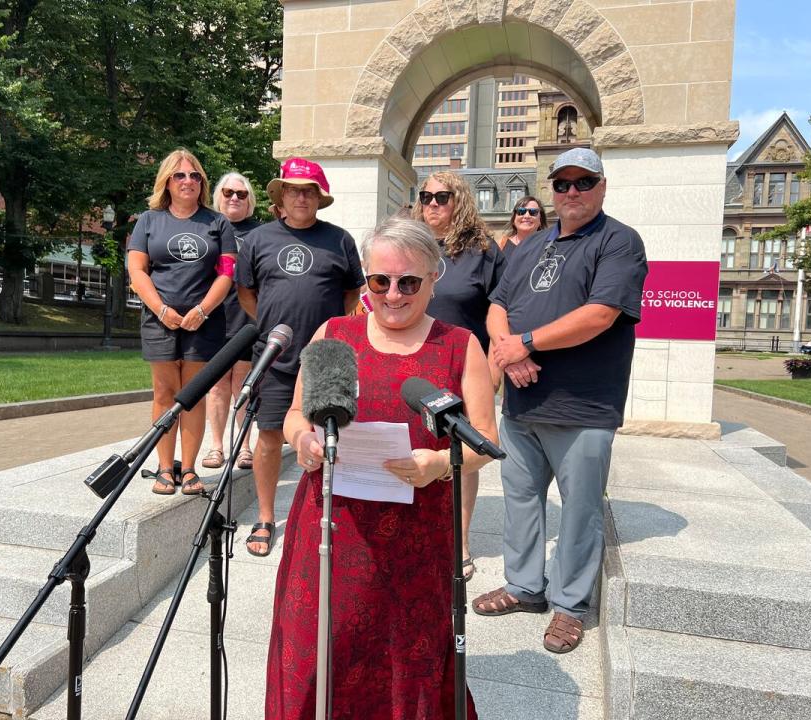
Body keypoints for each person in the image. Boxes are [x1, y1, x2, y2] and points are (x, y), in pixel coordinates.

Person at [266, 215, 498, 719]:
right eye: (379, 281)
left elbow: (485, 443)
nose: (393, 294)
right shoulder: (334, 332)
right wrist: (302, 440)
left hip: (415, 541)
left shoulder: (460, 346)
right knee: (324, 649)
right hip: (331, 528)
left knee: (403, 658)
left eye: (408, 282)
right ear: (366, 279)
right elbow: (292, 416)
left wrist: (439, 461)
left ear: (434, 279)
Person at [474, 147, 648, 654]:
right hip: (523, 405)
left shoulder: (618, 242)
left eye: (583, 182)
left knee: (580, 510)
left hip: (583, 406)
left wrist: (524, 344)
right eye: (563, 183)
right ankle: (524, 586)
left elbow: (601, 313)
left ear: (602, 186)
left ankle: (570, 607)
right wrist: (508, 353)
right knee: (521, 500)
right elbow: (498, 305)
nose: (572, 192)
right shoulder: (531, 244)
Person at [236, 157, 365, 556]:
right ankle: (264, 516)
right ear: (281, 196)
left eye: (309, 190)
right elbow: (246, 292)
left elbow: (352, 294)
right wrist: (275, 328)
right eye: (293, 189)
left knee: (330, 437)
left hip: (324, 357)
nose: (301, 197)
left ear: (319, 197)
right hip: (274, 356)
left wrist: (332, 331)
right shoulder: (259, 239)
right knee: (270, 435)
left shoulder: (339, 239)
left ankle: (327, 515)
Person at [127, 148, 237, 495]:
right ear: (167, 182)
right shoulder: (148, 220)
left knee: (193, 394)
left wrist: (202, 310)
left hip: (203, 321)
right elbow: (136, 270)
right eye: (180, 175)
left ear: (202, 183)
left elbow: (227, 273)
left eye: (194, 175)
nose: (188, 180)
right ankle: (164, 468)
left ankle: (188, 469)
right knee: (164, 392)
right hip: (159, 319)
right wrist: (161, 309)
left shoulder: (217, 223)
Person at [413, 170, 505, 582]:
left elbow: (502, 310)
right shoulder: (410, 244)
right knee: (416, 450)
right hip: (413, 365)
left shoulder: (483, 251)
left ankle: (460, 541)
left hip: (465, 366)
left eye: (442, 196)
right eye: (426, 196)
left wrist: (495, 367)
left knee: (463, 457)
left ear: (460, 200)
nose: (433, 203)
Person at [202, 172, 260, 472]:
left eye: (241, 194)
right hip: (213, 318)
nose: (234, 198)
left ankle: (245, 446)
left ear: (250, 200)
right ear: (218, 196)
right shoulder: (207, 227)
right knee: (216, 386)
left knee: (243, 383)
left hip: (246, 317)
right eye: (227, 193)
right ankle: (216, 446)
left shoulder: (260, 232)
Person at [498, 195, 548, 262]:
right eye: (521, 211)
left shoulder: (548, 248)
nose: (527, 216)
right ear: (514, 219)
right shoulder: (501, 245)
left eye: (533, 212)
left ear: (540, 220)